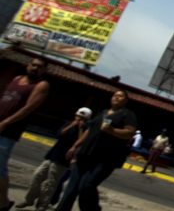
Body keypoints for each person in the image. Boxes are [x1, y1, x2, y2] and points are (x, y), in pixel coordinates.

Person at [55, 89, 137, 211]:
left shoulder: (127, 114)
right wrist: (75, 146)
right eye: (115, 95)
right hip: (85, 154)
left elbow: (130, 132)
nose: (116, 98)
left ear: (126, 100)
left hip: (104, 159)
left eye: (120, 96)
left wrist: (112, 131)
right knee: (71, 188)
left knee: (86, 186)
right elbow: (89, 131)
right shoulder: (102, 112)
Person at [16, 106, 92, 211]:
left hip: (63, 159)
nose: (78, 119)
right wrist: (72, 125)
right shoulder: (68, 124)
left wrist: (80, 128)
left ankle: (42, 204)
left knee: (50, 182)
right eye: (77, 116)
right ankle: (29, 199)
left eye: (81, 118)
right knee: (37, 175)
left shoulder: (85, 130)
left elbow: (81, 143)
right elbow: (59, 134)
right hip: (53, 155)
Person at [0, 56, 49, 211]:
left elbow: (28, 108)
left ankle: (3, 202)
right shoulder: (16, 79)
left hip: (8, 131)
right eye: (33, 65)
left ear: (44, 70)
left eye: (39, 66)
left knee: (0, 168)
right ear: (28, 65)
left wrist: (5, 123)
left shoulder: (41, 85)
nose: (35, 68)